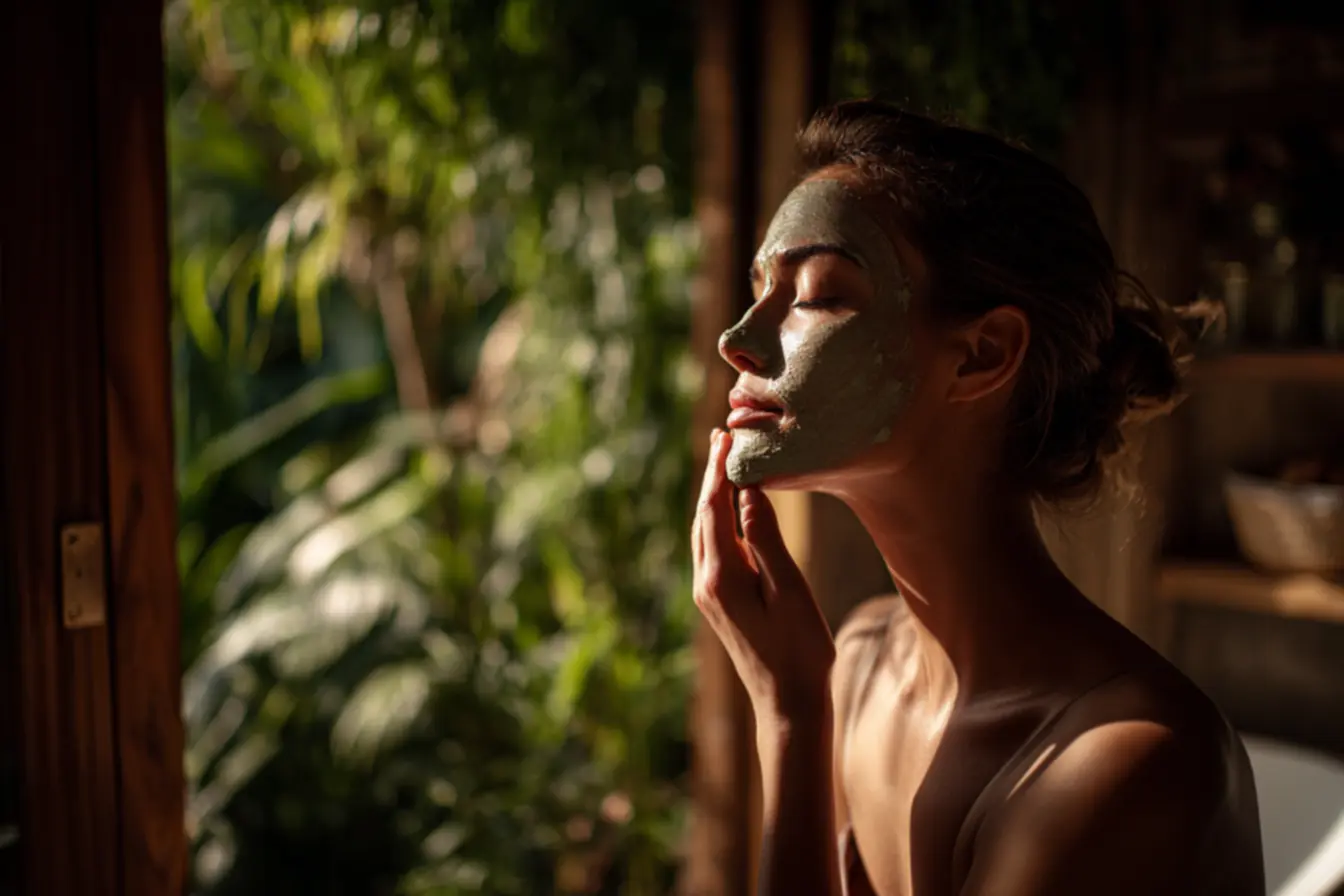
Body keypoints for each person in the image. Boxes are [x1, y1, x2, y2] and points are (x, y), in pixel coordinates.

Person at [691, 100, 1265, 896]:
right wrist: (799, 702)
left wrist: (788, 717)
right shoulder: (856, 664)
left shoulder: (1129, 765)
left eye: (818, 295)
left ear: (982, 356)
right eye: (759, 289)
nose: (739, 339)